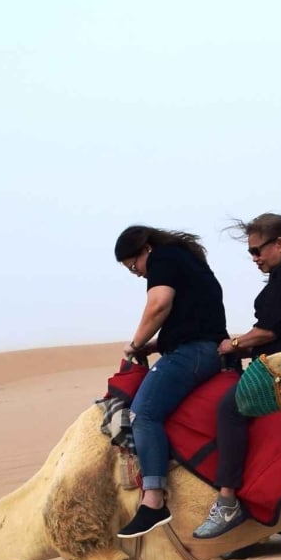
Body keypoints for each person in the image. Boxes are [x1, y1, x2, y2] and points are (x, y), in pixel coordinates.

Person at [192, 213, 281, 539]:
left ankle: (227, 500)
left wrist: (232, 344)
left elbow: (267, 332)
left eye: (257, 250)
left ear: (280, 244)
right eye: (251, 253)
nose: (255, 258)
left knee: (230, 407)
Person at [113, 226, 229, 538]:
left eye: (133, 265)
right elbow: (190, 315)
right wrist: (158, 345)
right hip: (203, 349)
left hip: (193, 353)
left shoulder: (163, 258)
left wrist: (136, 344)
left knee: (142, 414)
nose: (136, 273)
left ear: (145, 249)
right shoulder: (184, 260)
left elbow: (159, 304)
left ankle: (153, 501)